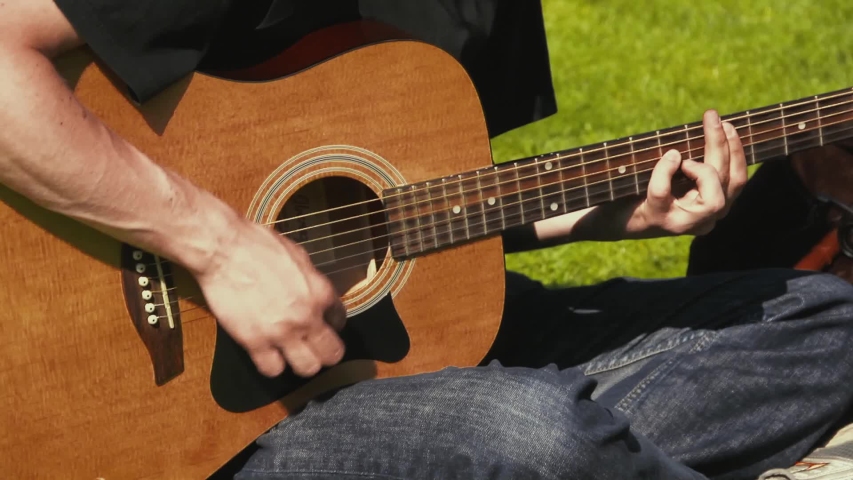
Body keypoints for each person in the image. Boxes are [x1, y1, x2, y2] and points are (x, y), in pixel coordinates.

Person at [2, 1, 852, 479]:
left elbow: (413, 207)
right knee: (532, 435)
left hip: (385, 357)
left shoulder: (485, 10)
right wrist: (216, 247)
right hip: (203, 424)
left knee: (822, 325)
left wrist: (610, 216)